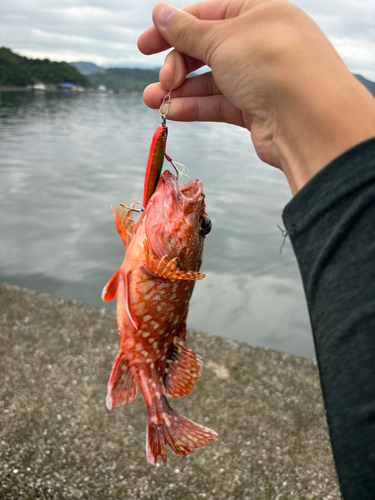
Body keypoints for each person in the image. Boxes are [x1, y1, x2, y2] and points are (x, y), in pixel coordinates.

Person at [138, 1, 375, 498]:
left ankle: (160, 413)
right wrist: (300, 119)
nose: (194, 213)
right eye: (201, 222)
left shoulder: (160, 254)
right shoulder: (159, 251)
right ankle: (159, 410)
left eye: (200, 224)